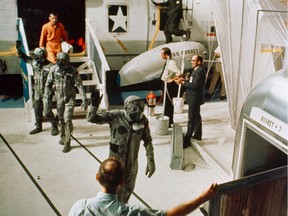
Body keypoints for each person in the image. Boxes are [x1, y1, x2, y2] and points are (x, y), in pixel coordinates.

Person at [68, 157, 218, 216]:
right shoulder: (130, 212)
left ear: (97, 177)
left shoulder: (79, 207)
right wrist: (202, 198)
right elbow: (171, 215)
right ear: (121, 183)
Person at [86, 94, 156, 203]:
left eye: (139, 114)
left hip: (131, 168)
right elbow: (92, 118)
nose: (136, 118)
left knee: (126, 196)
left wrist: (151, 161)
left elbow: (148, 141)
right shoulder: (116, 116)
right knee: (112, 198)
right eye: (133, 115)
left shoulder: (143, 120)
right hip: (114, 169)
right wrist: (94, 106)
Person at [44, 52, 87, 153]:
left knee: (67, 119)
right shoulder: (53, 69)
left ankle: (67, 142)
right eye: (59, 62)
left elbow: (79, 85)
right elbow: (48, 83)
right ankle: (63, 136)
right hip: (59, 98)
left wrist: (84, 98)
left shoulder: (73, 71)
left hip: (69, 99)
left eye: (63, 62)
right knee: (61, 118)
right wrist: (47, 97)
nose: (61, 64)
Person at [16, 40, 58, 135]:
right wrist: (19, 50)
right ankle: (38, 126)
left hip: (47, 92)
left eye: (38, 57)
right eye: (35, 56)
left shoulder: (51, 66)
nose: (36, 58)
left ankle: (54, 125)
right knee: (37, 108)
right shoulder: (34, 62)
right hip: (37, 91)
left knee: (47, 111)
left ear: (43, 56)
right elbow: (24, 57)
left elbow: (57, 79)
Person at [175, 54, 206, 149]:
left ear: (199, 62)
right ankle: (198, 135)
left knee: (191, 118)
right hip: (193, 97)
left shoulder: (200, 71)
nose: (192, 62)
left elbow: (195, 85)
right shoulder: (196, 70)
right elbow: (193, 82)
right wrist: (184, 80)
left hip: (195, 98)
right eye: (192, 60)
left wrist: (183, 83)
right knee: (196, 116)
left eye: (193, 60)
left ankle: (187, 140)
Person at [160, 47, 181, 128]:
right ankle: (168, 120)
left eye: (162, 54)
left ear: (166, 55)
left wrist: (172, 79)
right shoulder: (168, 61)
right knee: (166, 104)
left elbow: (179, 73)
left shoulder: (171, 63)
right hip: (165, 84)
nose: (161, 55)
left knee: (168, 104)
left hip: (168, 85)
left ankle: (168, 122)